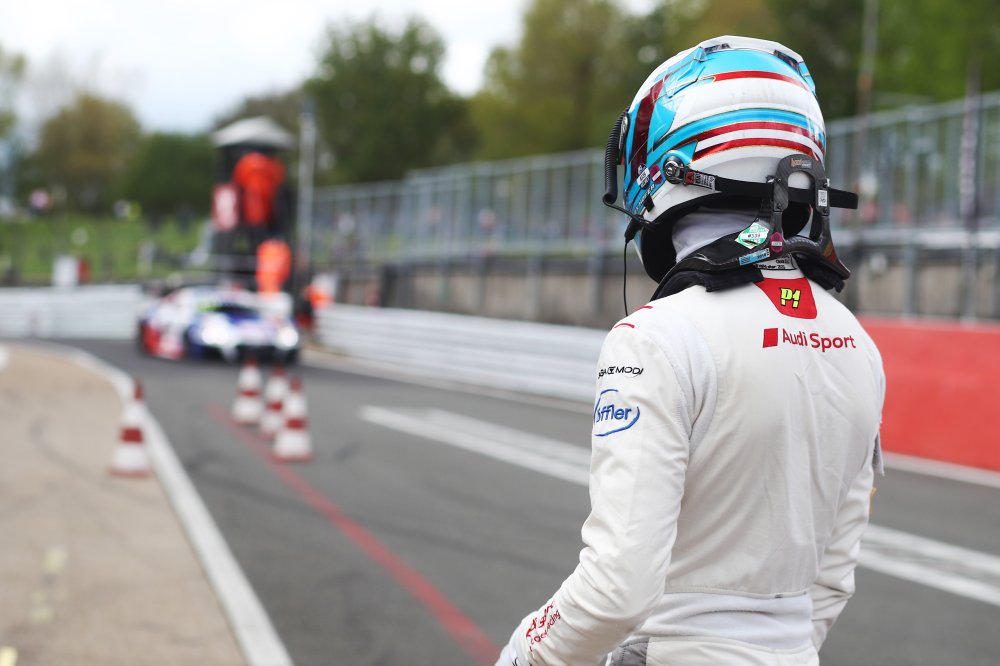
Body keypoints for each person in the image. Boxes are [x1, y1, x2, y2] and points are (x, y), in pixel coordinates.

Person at [497, 35, 885, 666]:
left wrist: (521, 654)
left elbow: (615, 590)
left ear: (673, 160)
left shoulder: (656, 338)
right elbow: (831, 580)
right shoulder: (860, 346)